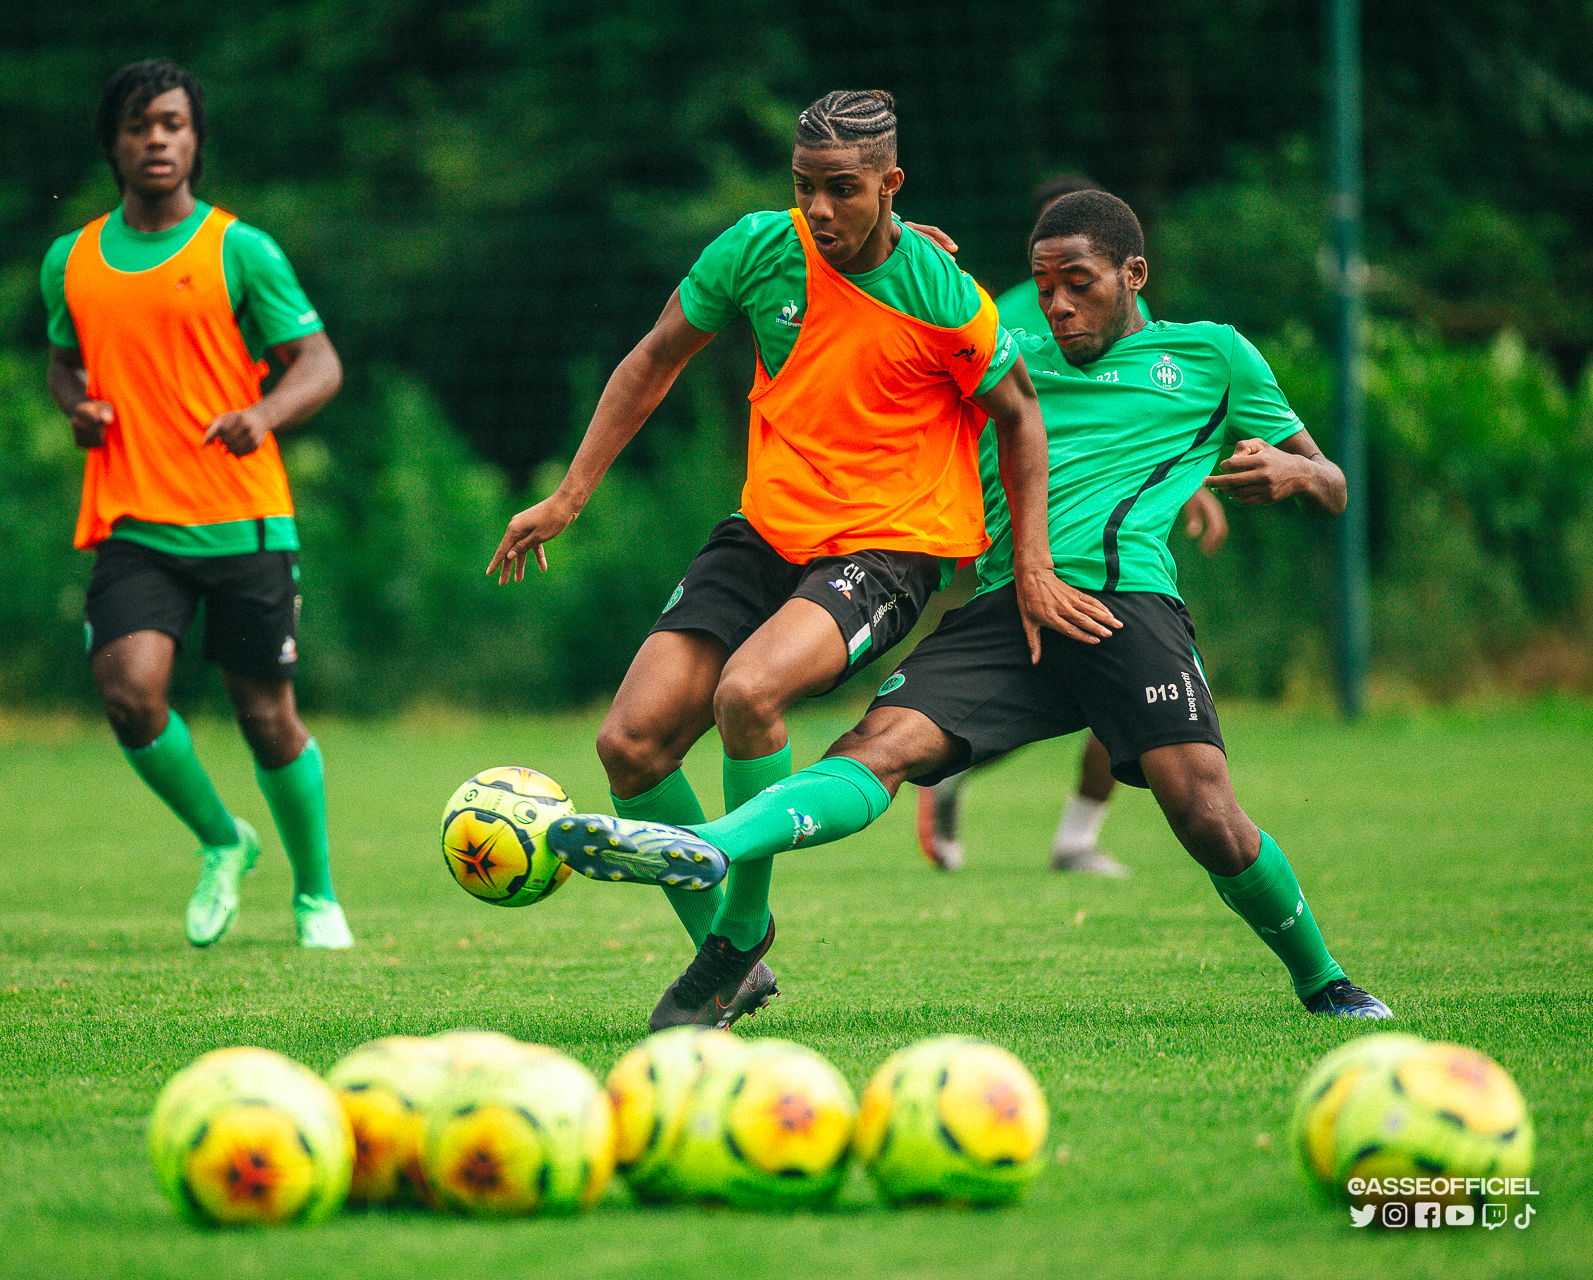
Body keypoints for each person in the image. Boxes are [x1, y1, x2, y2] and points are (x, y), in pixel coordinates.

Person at [551, 190, 1393, 1021]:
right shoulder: (1001, 342)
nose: (1058, 304)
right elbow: (890, 335)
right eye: (1044, 283)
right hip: (1008, 607)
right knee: (876, 748)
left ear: (1135, 273)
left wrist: (1296, 472)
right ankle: (712, 848)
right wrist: (884, 248)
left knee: (1208, 817)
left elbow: (1333, 482)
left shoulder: (1216, 357)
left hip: (1124, 606)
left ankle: (1325, 981)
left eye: (1080, 282)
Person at [489, 90, 1116, 1031]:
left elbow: (1021, 416)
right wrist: (569, 495)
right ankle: (735, 963)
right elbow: (655, 356)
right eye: (804, 187)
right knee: (630, 743)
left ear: (889, 186)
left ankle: (738, 937)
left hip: (890, 546)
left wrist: (1030, 567)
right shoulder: (755, 249)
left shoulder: (944, 294)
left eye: (842, 190)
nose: (819, 209)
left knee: (749, 693)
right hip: (766, 534)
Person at [41, 59, 352, 949]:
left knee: (266, 715)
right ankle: (224, 841)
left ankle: (317, 896)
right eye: (140, 127)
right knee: (129, 695)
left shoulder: (240, 250)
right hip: (136, 520)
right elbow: (63, 361)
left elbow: (320, 364)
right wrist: (78, 407)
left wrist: (264, 412)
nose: (157, 141)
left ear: (197, 139)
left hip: (245, 518)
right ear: (113, 143)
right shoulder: (73, 259)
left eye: (173, 124)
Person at [916, 173, 1227, 878]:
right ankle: (1020, 809)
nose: (1061, 301)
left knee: (1087, 695)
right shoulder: (1014, 317)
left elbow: (1133, 417)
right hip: (1036, 545)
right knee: (1064, 687)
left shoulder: (1109, 315)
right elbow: (1013, 418)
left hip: (1067, 546)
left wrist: (1195, 481)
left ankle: (1055, 829)